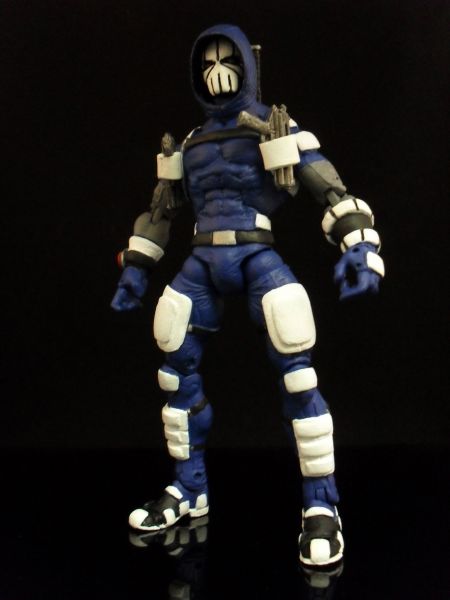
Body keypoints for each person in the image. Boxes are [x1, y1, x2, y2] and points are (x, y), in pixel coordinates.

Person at [111, 24, 384, 567]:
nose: (217, 72)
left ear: (247, 64)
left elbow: (330, 189)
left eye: (226, 60)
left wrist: (360, 246)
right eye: (207, 63)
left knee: (297, 369)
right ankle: (189, 488)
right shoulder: (190, 143)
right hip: (202, 259)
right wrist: (136, 269)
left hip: (256, 252)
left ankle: (321, 505)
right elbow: (161, 211)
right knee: (173, 365)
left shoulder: (274, 128)